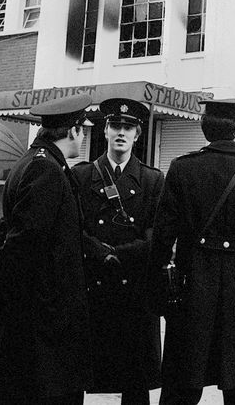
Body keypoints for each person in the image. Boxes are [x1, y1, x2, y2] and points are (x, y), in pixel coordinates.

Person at [151, 98, 235, 405]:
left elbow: (161, 239)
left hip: (192, 294)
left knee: (180, 388)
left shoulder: (182, 170)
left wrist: (161, 293)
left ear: (205, 130)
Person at [0, 93, 92, 404]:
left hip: (33, 310)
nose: (84, 135)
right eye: (83, 129)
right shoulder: (47, 169)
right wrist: (1, 287)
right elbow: (26, 239)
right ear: (74, 130)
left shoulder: (29, 162)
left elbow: (5, 232)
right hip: (44, 315)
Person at [72, 98, 165, 405]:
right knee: (79, 374)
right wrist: (98, 250)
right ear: (106, 130)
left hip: (134, 289)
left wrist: (120, 253)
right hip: (92, 284)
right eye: (116, 126)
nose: (121, 133)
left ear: (138, 135)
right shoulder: (83, 175)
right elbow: (73, 227)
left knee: (134, 380)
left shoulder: (152, 180)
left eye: (129, 128)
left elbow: (157, 234)